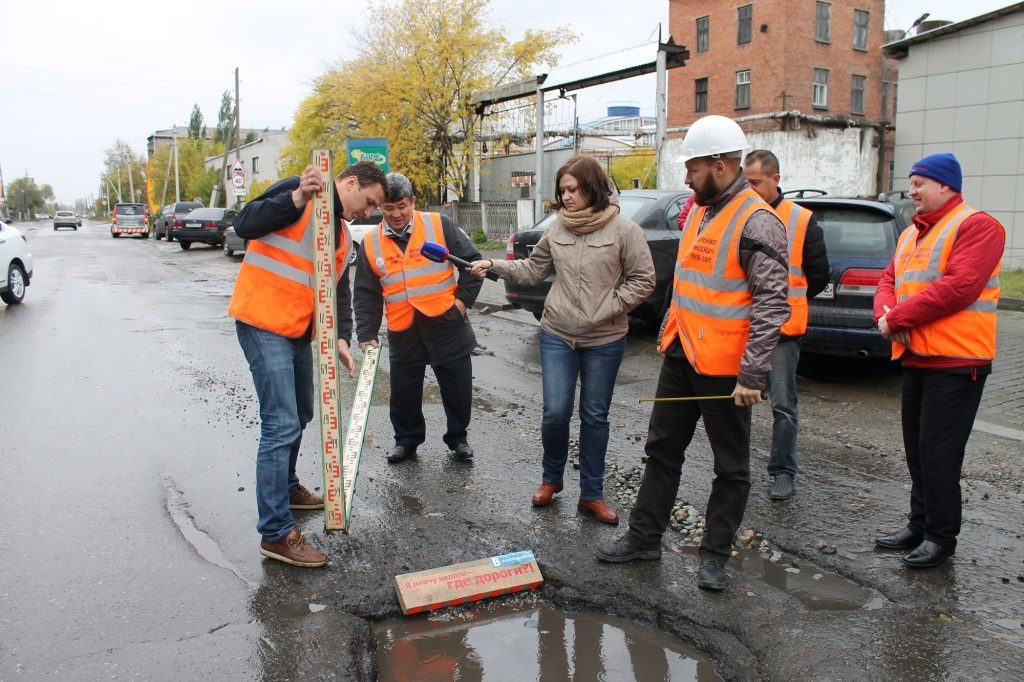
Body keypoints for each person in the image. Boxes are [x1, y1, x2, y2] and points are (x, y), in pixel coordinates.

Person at [595, 115, 789, 591]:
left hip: (727, 371)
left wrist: (753, 374)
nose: (686, 178)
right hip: (683, 354)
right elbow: (689, 285)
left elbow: (772, 303)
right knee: (662, 450)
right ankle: (643, 538)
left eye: (693, 167)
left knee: (731, 467)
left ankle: (716, 557)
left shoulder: (758, 221)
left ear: (721, 165)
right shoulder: (702, 210)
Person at [470, 155, 655, 525]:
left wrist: (610, 306)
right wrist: (494, 266)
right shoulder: (557, 229)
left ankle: (592, 494)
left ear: (592, 189)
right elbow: (532, 270)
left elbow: (644, 280)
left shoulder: (625, 230)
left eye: (572, 189)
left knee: (594, 415)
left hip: (605, 338)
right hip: (557, 334)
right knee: (555, 412)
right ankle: (551, 479)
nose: (565, 197)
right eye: (562, 190)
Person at [229, 160, 387, 568]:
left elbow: (338, 288)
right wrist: (296, 197)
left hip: (297, 329)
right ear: (350, 183)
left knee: (301, 413)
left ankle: (288, 486)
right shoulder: (300, 193)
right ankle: (276, 533)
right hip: (263, 322)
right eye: (368, 202)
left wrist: (340, 337)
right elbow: (244, 223)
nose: (367, 212)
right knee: (280, 422)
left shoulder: (341, 233)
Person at [873, 152, 1004, 569]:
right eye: (911, 183)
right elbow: (888, 279)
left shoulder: (978, 226)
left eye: (919, 183)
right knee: (917, 449)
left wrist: (895, 319)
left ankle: (941, 537)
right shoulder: (913, 233)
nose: (911, 191)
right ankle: (920, 522)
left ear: (946, 185)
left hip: (957, 360)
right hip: (918, 357)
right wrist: (884, 314)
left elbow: (958, 287)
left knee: (939, 452)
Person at [353, 173, 483, 465]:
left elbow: (473, 263)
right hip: (403, 327)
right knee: (403, 393)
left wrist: (461, 304)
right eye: (388, 208)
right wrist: (366, 333)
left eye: (402, 206)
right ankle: (406, 441)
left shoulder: (439, 225)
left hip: (446, 323)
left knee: (457, 387)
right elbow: (365, 293)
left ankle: (458, 438)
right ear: (379, 208)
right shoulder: (371, 243)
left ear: (412, 201)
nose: (396, 214)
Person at [743, 149, 830, 500]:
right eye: (745, 182)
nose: (749, 190)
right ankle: (737, 471)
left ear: (775, 180)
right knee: (741, 402)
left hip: (783, 330)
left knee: (783, 406)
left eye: (755, 183)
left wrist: (788, 303)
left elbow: (819, 274)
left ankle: (782, 472)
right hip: (744, 328)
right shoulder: (742, 215)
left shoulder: (802, 220)